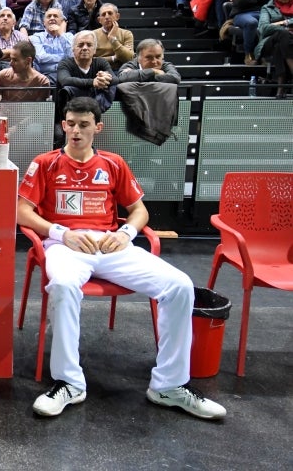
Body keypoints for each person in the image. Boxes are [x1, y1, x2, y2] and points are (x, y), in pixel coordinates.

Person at [17, 96, 227, 421]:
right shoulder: (44, 163)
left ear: (97, 128)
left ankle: (169, 386)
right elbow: (21, 211)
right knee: (62, 285)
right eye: (70, 123)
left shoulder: (113, 163)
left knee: (180, 286)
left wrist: (126, 233)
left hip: (111, 245)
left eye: (84, 125)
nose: (76, 130)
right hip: (65, 245)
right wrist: (61, 233)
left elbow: (139, 210)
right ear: (63, 125)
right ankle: (69, 383)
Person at [57, 31, 116, 115]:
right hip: (69, 111)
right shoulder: (65, 63)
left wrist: (105, 78)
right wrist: (93, 82)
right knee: (68, 88)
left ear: (95, 50)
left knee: (112, 85)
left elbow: (115, 79)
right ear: (73, 49)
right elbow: (64, 80)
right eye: (80, 45)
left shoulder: (101, 62)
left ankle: (93, 113)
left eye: (89, 45)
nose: (85, 48)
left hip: (96, 107)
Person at [117, 39, 181, 84]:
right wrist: (154, 71)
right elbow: (122, 78)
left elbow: (175, 78)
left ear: (163, 56)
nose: (154, 61)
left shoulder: (166, 65)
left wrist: (140, 76)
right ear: (138, 58)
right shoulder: (130, 65)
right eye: (149, 57)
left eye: (158, 56)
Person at [92, 4, 134, 71]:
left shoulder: (126, 33)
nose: (107, 17)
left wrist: (113, 39)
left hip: (121, 70)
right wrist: (114, 58)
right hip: (99, 71)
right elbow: (90, 60)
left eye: (110, 13)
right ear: (99, 20)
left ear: (117, 16)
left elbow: (128, 58)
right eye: (103, 14)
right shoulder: (92, 35)